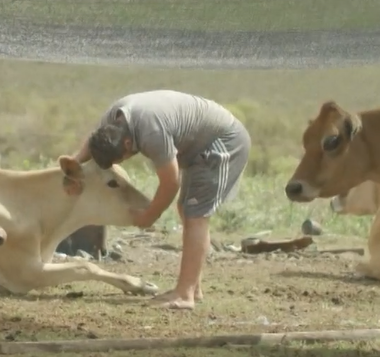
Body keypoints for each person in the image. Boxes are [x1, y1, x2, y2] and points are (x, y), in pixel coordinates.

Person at [73, 90, 252, 310]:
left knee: (195, 215)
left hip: (223, 142)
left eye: (122, 159)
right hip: (198, 143)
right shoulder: (112, 121)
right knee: (187, 210)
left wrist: (149, 215)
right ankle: (193, 287)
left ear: (128, 144)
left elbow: (171, 182)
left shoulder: (151, 133)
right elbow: (88, 147)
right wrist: (71, 166)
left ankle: (185, 295)